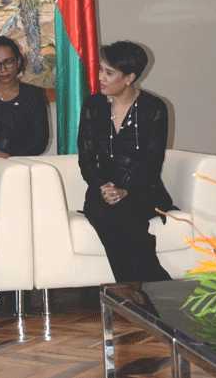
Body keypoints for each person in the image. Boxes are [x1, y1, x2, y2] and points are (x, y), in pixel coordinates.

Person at [78, 40, 174, 283]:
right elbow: (86, 160)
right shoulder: (93, 105)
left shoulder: (154, 108)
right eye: (100, 70)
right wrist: (103, 186)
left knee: (124, 210)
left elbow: (152, 163)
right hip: (101, 190)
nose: (100, 77)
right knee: (101, 210)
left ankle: (132, 288)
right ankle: (149, 286)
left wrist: (125, 190)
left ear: (130, 77)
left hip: (143, 189)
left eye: (109, 73)